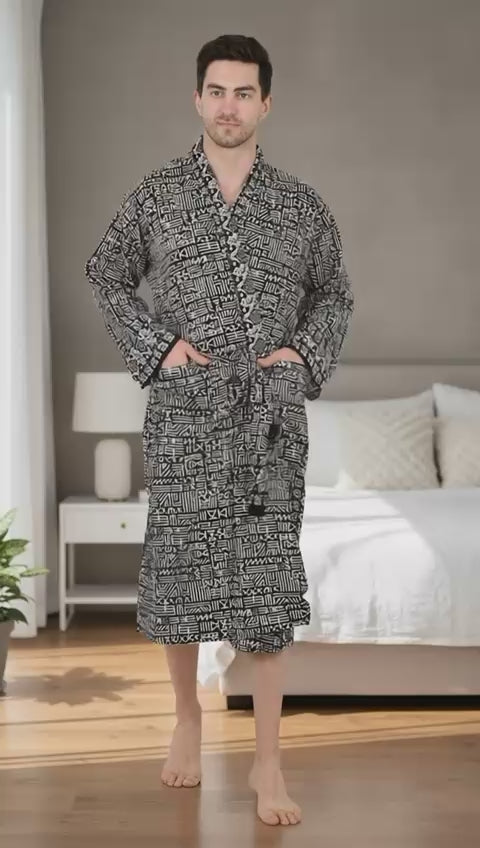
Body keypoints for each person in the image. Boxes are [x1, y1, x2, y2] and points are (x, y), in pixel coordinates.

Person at [85, 33, 354, 827]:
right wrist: (157, 347)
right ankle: (187, 720)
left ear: (265, 103)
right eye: (216, 91)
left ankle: (268, 763)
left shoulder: (300, 205)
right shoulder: (159, 194)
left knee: (265, 584)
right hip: (185, 415)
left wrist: (300, 357)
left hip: (268, 421)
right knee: (179, 573)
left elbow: (335, 294)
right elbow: (106, 273)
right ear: (197, 98)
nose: (228, 106)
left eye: (243, 93)